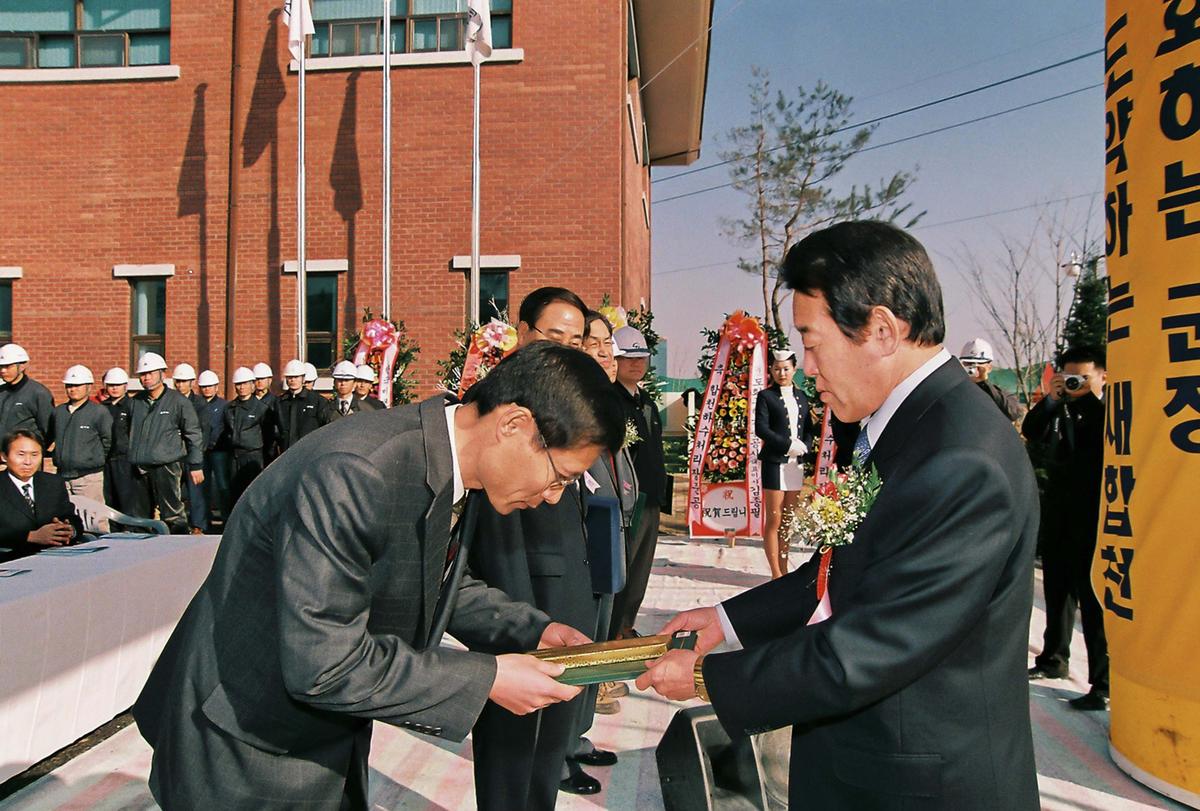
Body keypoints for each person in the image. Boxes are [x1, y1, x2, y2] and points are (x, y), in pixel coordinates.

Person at [637, 220, 1040, 810]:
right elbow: (843, 574)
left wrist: (710, 679)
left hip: (921, 788)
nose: (805, 366)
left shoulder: (960, 458)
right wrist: (725, 621)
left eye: (812, 341)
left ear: (881, 330)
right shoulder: (914, 427)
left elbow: (873, 644)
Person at [132, 341, 622, 811]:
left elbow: (434, 577)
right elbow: (325, 663)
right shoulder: (355, 471)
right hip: (245, 743)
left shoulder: (445, 463)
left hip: (317, 731)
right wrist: (487, 679)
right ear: (514, 425)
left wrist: (532, 631)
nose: (554, 497)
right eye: (560, 477)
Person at [467, 287, 607, 808]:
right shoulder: (503, 410)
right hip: (523, 596)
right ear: (523, 334)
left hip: (569, 593)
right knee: (513, 739)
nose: (567, 348)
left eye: (577, 339)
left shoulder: (574, 405)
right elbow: (498, 529)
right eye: (555, 336)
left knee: (551, 738)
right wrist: (520, 621)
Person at [558, 310, 640, 794]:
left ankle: (578, 734)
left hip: (610, 532)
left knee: (598, 645)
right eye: (597, 344)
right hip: (582, 541)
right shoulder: (569, 405)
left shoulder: (607, 402)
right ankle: (558, 751)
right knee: (576, 649)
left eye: (610, 345)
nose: (608, 353)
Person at [1023, 345, 1109, 711]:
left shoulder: (1109, 412)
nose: (1074, 384)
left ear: (1103, 377)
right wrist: (1052, 399)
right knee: (1057, 588)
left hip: (1094, 515)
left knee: (1093, 598)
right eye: (1068, 377)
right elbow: (1031, 430)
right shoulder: (1062, 408)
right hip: (1059, 510)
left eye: (1082, 378)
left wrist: (1085, 397)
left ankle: (1102, 683)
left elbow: (1103, 437)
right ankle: (1053, 658)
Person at [609, 325, 667, 639]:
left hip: (650, 498)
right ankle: (613, 629)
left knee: (641, 568)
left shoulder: (647, 403)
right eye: (628, 357)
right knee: (623, 567)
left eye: (641, 357)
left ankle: (626, 625)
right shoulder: (610, 401)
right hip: (626, 501)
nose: (636, 363)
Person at [127, 353, 205, 535]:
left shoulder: (178, 402)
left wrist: (196, 464)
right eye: (143, 374)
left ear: (162, 374)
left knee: (172, 514)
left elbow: (193, 433)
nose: (146, 378)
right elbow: (126, 431)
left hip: (167, 466)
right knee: (139, 517)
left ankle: (178, 546)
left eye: (151, 373)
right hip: (139, 467)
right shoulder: (135, 402)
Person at [755, 349, 816, 578]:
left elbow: (809, 427)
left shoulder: (801, 396)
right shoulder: (766, 396)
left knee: (788, 520)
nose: (782, 373)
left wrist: (805, 446)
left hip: (795, 465)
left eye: (786, 369)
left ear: (794, 369)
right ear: (771, 370)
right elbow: (761, 428)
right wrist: (787, 445)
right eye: (777, 369)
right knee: (774, 518)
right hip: (774, 462)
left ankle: (784, 568)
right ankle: (776, 573)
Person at [0, 429, 84, 563]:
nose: (28, 462)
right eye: (21, 454)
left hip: (55, 557)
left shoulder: (52, 482)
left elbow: (70, 517)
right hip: (10, 560)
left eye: (34, 455)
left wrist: (69, 530)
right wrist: (31, 536)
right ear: (4, 456)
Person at [50, 365, 113, 506]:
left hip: (88, 479)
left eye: (78, 385)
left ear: (88, 387)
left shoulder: (99, 412)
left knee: (93, 516)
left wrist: (92, 459)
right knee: (65, 516)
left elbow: (108, 441)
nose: (73, 389)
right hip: (62, 477)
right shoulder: (58, 412)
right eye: (69, 385)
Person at [224, 366, 271, 509]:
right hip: (234, 456)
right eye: (238, 384)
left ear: (252, 385)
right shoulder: (229, 408)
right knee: (234, 492)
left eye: (245, 383)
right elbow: (227, 431)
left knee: (252, 492)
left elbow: (268, 435)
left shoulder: (261, 408)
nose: (242, 387)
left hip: (253, 456)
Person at [173, 363, 209, 535]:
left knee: (196, 492)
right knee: (174, 491)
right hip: (174, 454)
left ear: (191, 382)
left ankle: (198, 525)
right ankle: (176, 524)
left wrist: (198, 455)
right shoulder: (171, 401)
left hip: (192, 454)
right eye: (178, 381)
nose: (180, 385)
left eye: (184, 381)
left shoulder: (200, 404)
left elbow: (203, 430)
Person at [273, 359, 333, 454]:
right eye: (290, 377)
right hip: (286, 453)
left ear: (303, 378)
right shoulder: (279, 402)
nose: (293, 380)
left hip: (310, 452)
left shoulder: (317, 401)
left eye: (296, 377)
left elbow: (326, 428)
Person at [0, 343, 54, 445]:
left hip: (25, 453)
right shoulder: (1, 392)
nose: (3, 370)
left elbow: (48, 430)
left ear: (22, 366)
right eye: (1, 366)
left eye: (8, 366)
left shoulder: (38, 393)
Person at [196, 370, 230, 531]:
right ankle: (204, 521)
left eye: (210, 386)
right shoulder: (196, 405)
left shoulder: (224, 406)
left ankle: (226, 519)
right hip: (202, 452)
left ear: (216, 387)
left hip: (219, 451)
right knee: (203, 488)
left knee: (223, 486)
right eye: (204, 386)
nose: (207, 389)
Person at [959, 338, 1022, 422]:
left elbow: (1013, 413)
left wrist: (984, 384)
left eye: (979, 365)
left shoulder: (999, 395)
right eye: (968, 364)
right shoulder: (955, 392)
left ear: (989, 367)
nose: (972, 368)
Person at [102, 367, 138, 514]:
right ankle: (113, 526)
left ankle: (129, 526)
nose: (114, 388)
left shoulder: (132, 406)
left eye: (118, 385)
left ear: (125, 386)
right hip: (106, 460)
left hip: (125, 461)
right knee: (109, 499)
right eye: (111, 385)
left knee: (127, 499)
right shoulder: (102, 408)